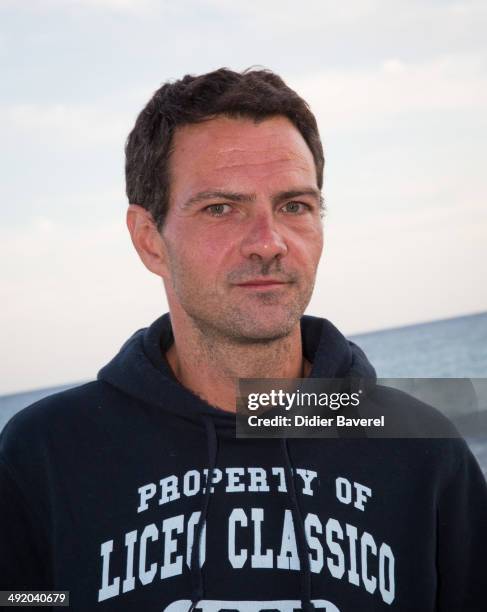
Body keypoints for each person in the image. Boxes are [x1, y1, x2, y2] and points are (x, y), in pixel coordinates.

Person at [0, 68, 486, 612]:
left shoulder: (422, 446)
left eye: (294, 206)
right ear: (150, 241)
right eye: (221, 209)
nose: (269, 243)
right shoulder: (46, 453)